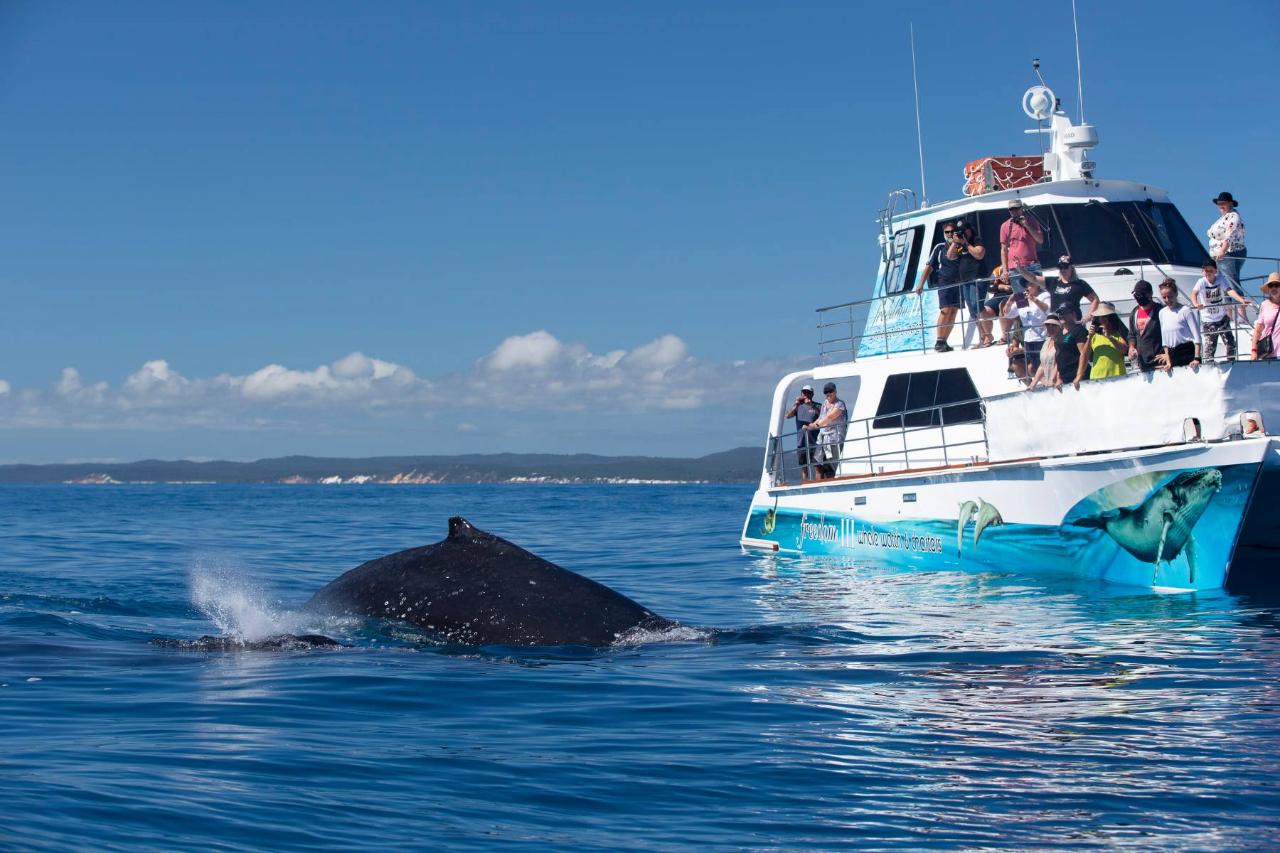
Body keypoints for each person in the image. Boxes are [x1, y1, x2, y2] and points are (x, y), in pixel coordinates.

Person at [914, 220, 982, 352]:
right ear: (944, 233)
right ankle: (939, 340)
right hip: (945, 282)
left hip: (959, 282)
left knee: (954, 311)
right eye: (947, 232)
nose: (950, 234)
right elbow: (929, 266)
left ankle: (944, 341)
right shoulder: (940, 247)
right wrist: (920, 284)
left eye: (952, 232)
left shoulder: (962, 246)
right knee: (945, 310)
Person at [1191, 258, 1251, 362]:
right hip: (1208, 321)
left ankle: (1231, 363)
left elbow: (1229, 291)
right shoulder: (1201, 282)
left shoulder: (1220, 279)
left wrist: (1241, 300)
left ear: (1215, 271)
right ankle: (1209, 366)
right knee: (1210, 349)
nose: (1208, 273)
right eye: (1206, 270)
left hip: (1222, 318)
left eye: (1211, 270)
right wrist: (1196, 304)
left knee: (1231, 344)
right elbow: (1194, 294)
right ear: (1203, 271)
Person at [1001, 279, 1049, 376]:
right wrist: (1010, 301)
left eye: (1031, 284)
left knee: (1045, 368)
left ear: (1038, 285)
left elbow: (1048, 309)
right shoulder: (1022, 299)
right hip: (1029, 339)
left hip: (1043, 337)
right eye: (1027, 284)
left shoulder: (1045, 295)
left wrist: (1034, 300)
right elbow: (1008, 314)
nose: (1028, 287)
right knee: (1036, 368)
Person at [1075, 303, 1128, 388]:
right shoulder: (1094, 335)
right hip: (1097, 380)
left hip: (1118, 379)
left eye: (1105, 316)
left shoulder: (1118, 334)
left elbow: (1124, 350)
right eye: (1100, 316)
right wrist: (1090, 337)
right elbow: (1084, 355)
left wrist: (1110, 337)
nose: (1103, 319)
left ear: (1111, 318)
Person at [951, 219, 987, 344]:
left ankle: (988, 335)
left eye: (964, 230)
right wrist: (954, 242)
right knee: (972, 310)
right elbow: (950, 256)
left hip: (977, 278)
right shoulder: (959, 244)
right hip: (965, 280)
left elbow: (979, 254)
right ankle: (982, 336)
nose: (962, 233)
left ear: (969, 229)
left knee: (977, 306)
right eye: (959, 231)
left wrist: (966, 243)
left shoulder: (976, 240)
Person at [999, 199, 1045, 294]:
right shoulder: (1005, 226)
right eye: (1011, 209)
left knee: (1036, 295)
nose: (1014, 211)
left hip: (1032, 266)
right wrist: (1005, 270)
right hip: (1015, 268)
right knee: (1020, 298)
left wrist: (1026, 225)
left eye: (1016, 208)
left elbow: (1040, 240)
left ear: (1021, 209)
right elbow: (1004, 250)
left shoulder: (1032, 221)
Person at [805, 382, 848, 480]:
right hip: (823, 439)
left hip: (834, 440)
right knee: (818, 464)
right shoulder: (825, 403)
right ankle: (819, 486)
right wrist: (811, 425)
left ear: (835, 391)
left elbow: (830, 417)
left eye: (830, 391)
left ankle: (835, 483)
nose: (828, 394)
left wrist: (817, 425)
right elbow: (821, 417)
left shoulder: (840, 404)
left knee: (833, 466)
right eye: (826, 392)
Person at [1207, 191, 1247, 295]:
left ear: (1231, 204)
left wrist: (1222, 251)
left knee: (1230, 283)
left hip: (1227, 254)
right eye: (1219, 204)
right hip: (1224, 255)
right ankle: (1230, 304)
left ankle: (1239, 304)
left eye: (1223, 203)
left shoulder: (1233, 216)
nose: (1220, 206)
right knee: (1225, 283)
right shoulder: (1226, 217)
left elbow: (1229, 236)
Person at [1157, 278, 1201, 370]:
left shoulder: (1185, 311)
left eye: (1170, 296)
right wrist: (1168, 361)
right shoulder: (1162, 313)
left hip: (1188, 353)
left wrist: (1196, 358)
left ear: (1176, 294)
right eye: (1164, 297)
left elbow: (1197, 337)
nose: (1167, 300)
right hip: (1172, 355)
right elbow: (1165, 341)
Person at [1044, 255, 1099, 321]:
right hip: (1056, 323)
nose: (1062, 269)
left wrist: (1089, 316)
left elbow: (1095, 299)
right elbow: (1034, 279)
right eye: (1060, 267)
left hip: (1073, 323)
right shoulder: (1053, 281)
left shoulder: (1080, 284)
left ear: (1071, 268)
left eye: (1065, 266)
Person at [785, 384, 821, 480]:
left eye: (808, 392)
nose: (806, 394)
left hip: (815, 441)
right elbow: (788, 415)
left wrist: (811, 405)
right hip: (801, 442)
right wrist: (796, 404)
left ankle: (819, 485)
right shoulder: (798, 406)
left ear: (812, 394)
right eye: (804, 392)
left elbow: (822, 416)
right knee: (804, 468)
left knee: (817, 467)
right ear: (801, 393)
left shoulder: (818, 405)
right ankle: (806, 484)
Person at [1127, 279, 1164, 372]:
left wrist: (1167, 354)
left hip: (1159, 364)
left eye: (1140, 295)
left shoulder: (1160, 311)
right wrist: (1131, 348)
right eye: (1136, 295)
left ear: (1150, 294)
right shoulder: (1134, 312)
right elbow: (1132, 335)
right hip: (1142, 365)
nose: (1138, 298)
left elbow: (1170, 334)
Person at [1028, 313, 1064, 390]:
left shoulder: (1063, 341)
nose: (1050, 328)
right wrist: (1033, 384)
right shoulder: (1046, 342)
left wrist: (1053, 380)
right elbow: (1042, 365)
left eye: (1054, 325)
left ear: (1060, 326)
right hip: (1049, 385)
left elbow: (1060, 363)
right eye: (1048, 325)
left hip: (1060, 384)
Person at [1056, 304, 1088, 389]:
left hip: (1076, 378)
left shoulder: (1079, 330)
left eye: (1064, 313)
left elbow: (1084, 354)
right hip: (1064, 379)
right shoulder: (1059, 334)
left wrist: (1079, 376)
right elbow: (1058, 356)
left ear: (1073, 314)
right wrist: (1058, 378)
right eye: (1059, 313)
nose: (1061, 315)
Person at [984, 264, 1015, 345]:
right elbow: (989, 287)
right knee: (984, 310)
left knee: (1003, 305)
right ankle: (987, 337)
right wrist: (1001, 286)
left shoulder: (1018, 268)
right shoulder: (997, 270)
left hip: (1014, 294)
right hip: (998, 295)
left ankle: (1005, 336)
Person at [1252, 272, 1280, 361]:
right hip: (1269, 355)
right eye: (1271, 285)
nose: (1274, 288)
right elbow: (1258, 330)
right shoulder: (1264, 305)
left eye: (1277, 285)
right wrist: (1254, 351)